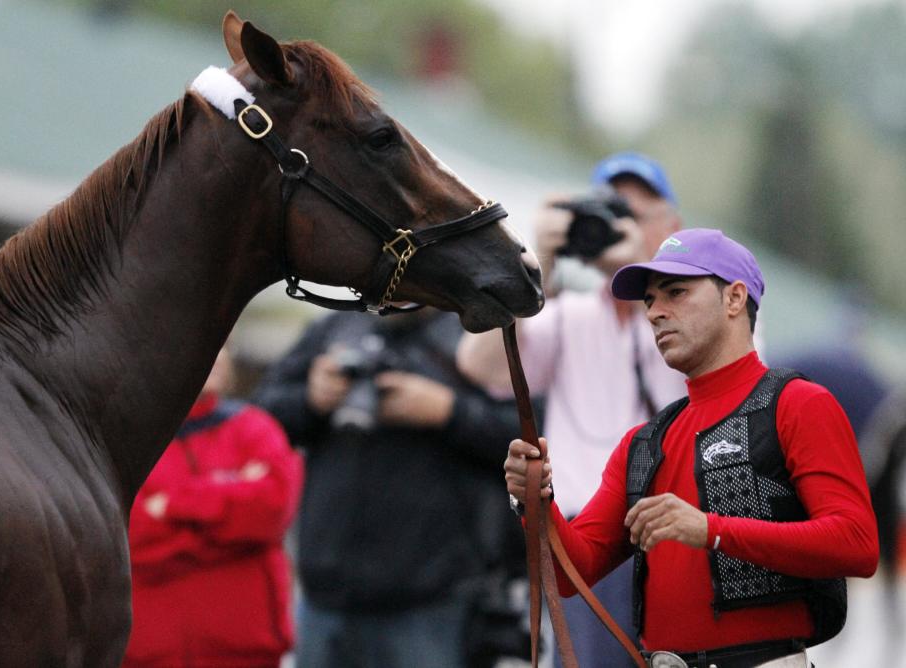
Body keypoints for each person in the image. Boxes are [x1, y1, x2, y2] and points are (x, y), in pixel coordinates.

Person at [505, 228, 879, 666]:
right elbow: (574, 572)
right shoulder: (644, 442)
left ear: (735, 299)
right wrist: (536, 498)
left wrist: (711, 530)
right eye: (648, 300)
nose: (654, 313)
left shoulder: (798, 403)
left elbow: (857, 544)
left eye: (675, 292)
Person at [457, 152, 689, 666]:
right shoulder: (571, 314)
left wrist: (643, 277)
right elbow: (478, 366)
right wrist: (541, 267)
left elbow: (736, 366)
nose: (617, 228)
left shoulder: (701, 308)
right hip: (591, 538)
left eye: (634, 215)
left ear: (673, 227)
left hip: (679, 534)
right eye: (607, 215)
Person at [254, 307, 529, 668]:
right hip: (326, 597)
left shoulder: (475, 338)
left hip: (430, 600)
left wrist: (449, 412)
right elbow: (258, 420)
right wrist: (311, 399)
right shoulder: (337, 328)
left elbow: (529, 438)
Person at [123, 348, 304, 668]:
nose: (217, 354)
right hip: (152, 654)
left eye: (224, 345)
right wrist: (229, 517)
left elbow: (270, 512)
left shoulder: (255, 427)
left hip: (244, 651)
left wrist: (173, 505)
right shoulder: (131, 438)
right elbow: (129, 538)